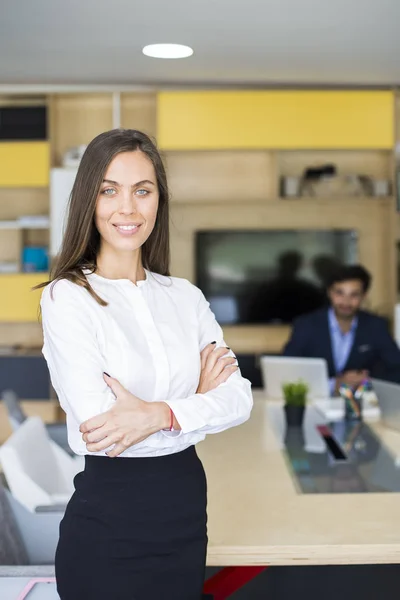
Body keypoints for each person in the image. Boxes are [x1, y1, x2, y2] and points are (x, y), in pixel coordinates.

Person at [38, 129, 253, 600]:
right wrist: (198, 400)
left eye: (143, 190)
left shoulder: (185, 297)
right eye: (109, 190)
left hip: (185, 514)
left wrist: (161, 415)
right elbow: (102, 430)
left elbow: (239, 398)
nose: (128, 208)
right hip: (108, 525)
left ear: (159, 200)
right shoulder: (67, 298)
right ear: (88, 201)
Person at [283, 264, 400, 395]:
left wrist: (366, 382)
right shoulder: (306, 325)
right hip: (315, 403)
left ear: (364, 296)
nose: (346, 301)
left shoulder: (376, 326)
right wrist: (334, 385)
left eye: (354, 295)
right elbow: (287, 371)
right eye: (339, 293)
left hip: (362, 404)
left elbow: (397, 369)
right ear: (329, 293)